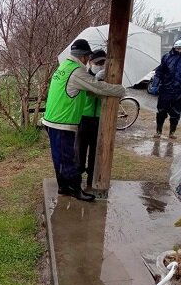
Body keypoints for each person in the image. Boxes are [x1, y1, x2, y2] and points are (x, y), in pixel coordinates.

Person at [43, 39, 125, 201]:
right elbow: (97, 87)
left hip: (53, 120)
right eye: (88, 57)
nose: (88, 60)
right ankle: (75, 189)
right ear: (83, 57)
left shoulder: (65, 67)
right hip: (62, 123)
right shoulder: (77, 72)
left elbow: (83, 91)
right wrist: (119, 90)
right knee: (67, 158)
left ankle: (63, 187)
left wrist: (96, 89)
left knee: (59, 157)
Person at [77, 49, 107, 190]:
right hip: (84, 118)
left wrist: (104, 82)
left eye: (103, 62)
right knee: (80, 152)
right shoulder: (83, 76)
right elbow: (86, 94)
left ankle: (91, 181)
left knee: (95, 153)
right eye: (98, 62)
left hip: (100, 120)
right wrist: (96, 82)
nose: (100, 65)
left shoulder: (107, 77)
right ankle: (77, 180)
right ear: (90, 62)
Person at [154, 39, 181, 139]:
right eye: (178, 48)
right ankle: (158, 131)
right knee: (161, 111)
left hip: (178, 90)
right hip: (165, 89)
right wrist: (155, 85)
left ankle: (172, 132)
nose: (179, 50)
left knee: (176, 113)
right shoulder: (167, 57)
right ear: (174, 47)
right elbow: (159, 73)